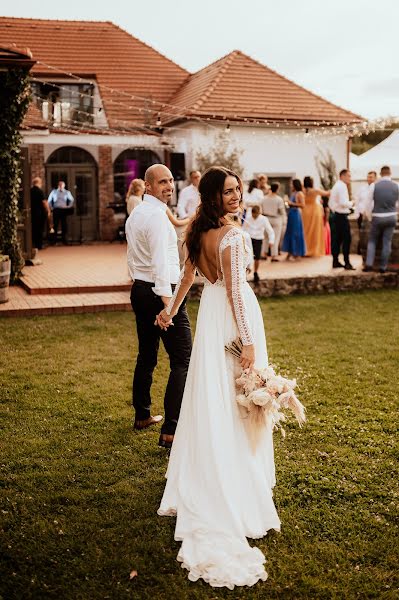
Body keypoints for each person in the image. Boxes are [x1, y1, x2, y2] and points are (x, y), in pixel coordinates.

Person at [155, 166, 280, 589]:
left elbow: (190, 277)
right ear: (212, 196)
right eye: (227, 191)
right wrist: (247, 342)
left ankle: (212, 464)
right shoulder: (232, 237)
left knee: (213, 394)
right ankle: (235, 477)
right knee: (235, 397)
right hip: (230, 319)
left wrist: (171, 311)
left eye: (238, 189)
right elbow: (234, 293)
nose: (236, 196)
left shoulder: (195, 234)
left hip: (209, 319)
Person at [125, 164, 192, 449]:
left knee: (147, 355)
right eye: (162, 182)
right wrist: (168, 306)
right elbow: (161, 264)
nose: (169, 185)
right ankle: (171, 431)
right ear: (148, 185)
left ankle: (142, 415)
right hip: (159, 292)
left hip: (139, 289)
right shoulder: (155, 218)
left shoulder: (137, 213)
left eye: (170, 180)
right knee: (182, 361)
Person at [363, 165, 399, 273]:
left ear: (381, 173)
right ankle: (383, 267)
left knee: (372, 241)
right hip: (391, 216)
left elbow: (368, 203)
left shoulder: (374, 186)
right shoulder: (396, 186)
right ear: (390, 173)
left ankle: (369, 264)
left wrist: (369, 216)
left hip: (377, 217)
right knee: (387, 242)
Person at [328, 169, 355, 269]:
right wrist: (352, 203)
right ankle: (346, 262)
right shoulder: (342, 186)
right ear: (342, 176)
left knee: (337, 240)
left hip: (335, 215)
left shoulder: (337, 185)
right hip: (340, 216)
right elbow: (343, 203)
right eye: (348, 176)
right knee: (346, 239)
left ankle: (335, 261)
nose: (349, 178)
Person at [243, 204, 275, 282]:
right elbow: (243, 229)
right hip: (249, 239)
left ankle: (255, 272)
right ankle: (245, 274)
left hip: (258, 239)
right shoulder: (248, 218)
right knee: (246, 257)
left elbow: (270, 231)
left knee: (257, 257)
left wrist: (271, 241)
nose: (254, 216)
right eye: (253, 214)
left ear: (259, 213)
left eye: (256, 214)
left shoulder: (264, 219)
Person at [302, 176, 329, 257]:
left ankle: (304, 249)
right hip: (314, 211)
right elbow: (326, 193)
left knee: (305, 231)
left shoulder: (302, 191)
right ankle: (313, 250)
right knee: (314, 231)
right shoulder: (315, 190)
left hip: (304, 211)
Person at [281, 179, 306, 259]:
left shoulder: (299, 193)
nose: (291, 185)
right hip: (291, 214)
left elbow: (303, 205)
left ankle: (297, 252)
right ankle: (290, 251)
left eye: (292, 184)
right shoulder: (293, 193)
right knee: (290, 232)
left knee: (296, 233)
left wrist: (292, 203)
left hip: (296, 215)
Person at [261, 181, 286, 261]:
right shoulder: (279, 199)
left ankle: (264, 254)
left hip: (266, 218)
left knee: (265, 237)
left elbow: (261, 208)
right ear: (277, 189)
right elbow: (281, 211)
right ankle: (274, 255)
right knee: (275, 237)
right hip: (276, 219)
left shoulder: (264, 198)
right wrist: (284, 219)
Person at [48, 181, 75, 245]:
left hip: (63, 210)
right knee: (55, 224)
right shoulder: (54, 192)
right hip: (56, 209)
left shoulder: (67, 192)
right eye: (59, 185)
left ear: (64, 186)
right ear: (58, 185)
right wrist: (51, 207)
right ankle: (53, 241)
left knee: (64, 225)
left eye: (62, 185)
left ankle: (64, 240)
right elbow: (49, 200)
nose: (60, 186)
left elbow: (72, 200)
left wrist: (69, 206)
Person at [30, 177, 49, 250]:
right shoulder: (40, 191)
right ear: (39, 183)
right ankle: (39, 245)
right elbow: (44, 202)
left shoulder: (30, 191)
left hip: (32, 213)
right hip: (40, 213)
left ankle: (33, 245)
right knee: (40, 230)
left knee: (34, 229)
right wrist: (48, 210)